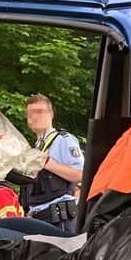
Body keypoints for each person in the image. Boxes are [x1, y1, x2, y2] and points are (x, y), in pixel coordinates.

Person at [20, 94, 84, 230]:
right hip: (38, 219)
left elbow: (80, 175)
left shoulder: (63, 140)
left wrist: (46, 162)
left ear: (51, 114)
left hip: (59, 219)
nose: (34, 117)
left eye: (39, 112)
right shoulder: (36, 148)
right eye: (30, 113)